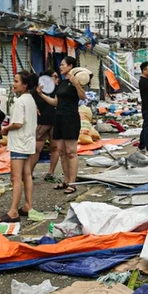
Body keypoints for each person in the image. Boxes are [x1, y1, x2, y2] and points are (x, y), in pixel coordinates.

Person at [36, 57, 86, 195]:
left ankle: (73, 183)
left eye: (63, 64)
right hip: (58, 118)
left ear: (71, 66)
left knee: (71, 152)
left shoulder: (76, 81)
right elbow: (55, 103)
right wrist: (41, 95)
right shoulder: (62, 83)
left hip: (70, 118)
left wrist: (76, 84)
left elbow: (83, 97)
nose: (61, 66)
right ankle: (66, 180)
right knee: (61, 151)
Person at [0, 72, 38, 222]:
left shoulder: (20, 101)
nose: (13, 84)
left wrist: (5, 129)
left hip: (19, 143)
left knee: (16, 177)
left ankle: (13, 211)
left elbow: (18, 123)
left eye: (16, 81)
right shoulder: (30, 99)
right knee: (27, 174)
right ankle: (28, 205)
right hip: (28, 141)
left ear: (24, 85)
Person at [30, 70, 59, 181]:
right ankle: (30, 172)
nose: (57, 79)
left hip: (56, 121)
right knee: (37, 148)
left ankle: (50, 172)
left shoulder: (58, 90)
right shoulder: (35, 92)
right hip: (42, 122)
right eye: (54, 77)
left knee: (54, 147)